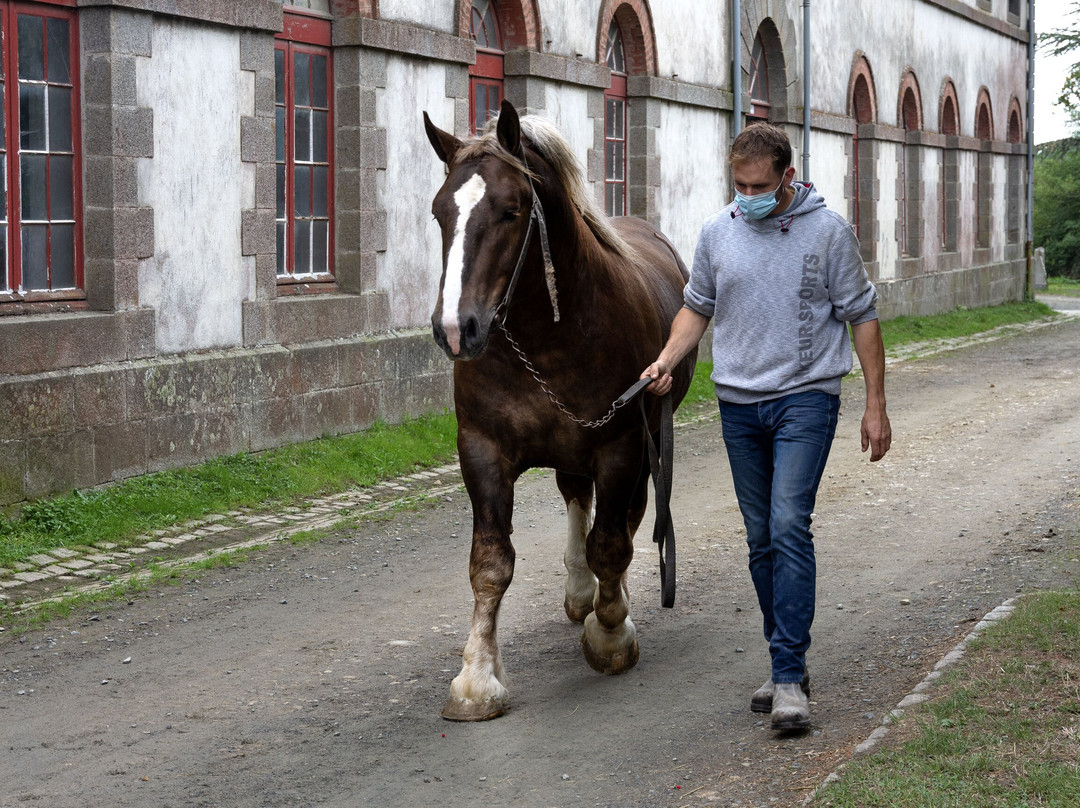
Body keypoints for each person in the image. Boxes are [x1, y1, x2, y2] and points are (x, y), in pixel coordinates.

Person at [642, 122, 892, 731]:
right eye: (737, 183)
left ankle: (787, 680)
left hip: (806, 399)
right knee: (759, 539)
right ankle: (789, 659)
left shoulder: (827, 233)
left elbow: (863, 317)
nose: (746, 194)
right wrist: (666, 361)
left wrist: (876, 403)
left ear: (786, 176)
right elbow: (696, 308)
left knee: (787, 525)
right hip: (739, 404)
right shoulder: (715, 233)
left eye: (758, 184)